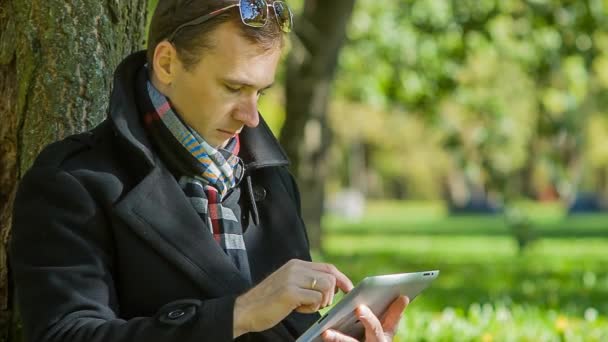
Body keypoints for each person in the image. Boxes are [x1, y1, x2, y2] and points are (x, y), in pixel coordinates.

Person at [10, 0, 408, 341]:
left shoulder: (269, 178)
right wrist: (237, 314)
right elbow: (67, 334)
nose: (251, 117)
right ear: (167, 64)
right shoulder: (73, 182)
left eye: (260, 92)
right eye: (233, 88)